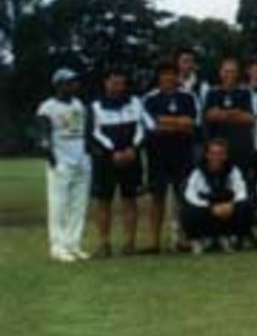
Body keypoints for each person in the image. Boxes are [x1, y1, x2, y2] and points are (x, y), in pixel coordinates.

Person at [142, 61, 200, 253]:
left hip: (182, 153)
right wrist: (177, 123)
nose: (168, 78)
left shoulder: (188, 97)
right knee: (156, 197)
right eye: (164, 74)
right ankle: (153, 241)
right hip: (157, 154)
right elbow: (152, 126)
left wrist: (166, 121)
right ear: (158, 77)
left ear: (177, 77)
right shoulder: (149, 99)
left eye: (172, 74)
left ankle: (183, 239)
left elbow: (192, 124)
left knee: (183, 197)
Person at [88, 67, 146, 257]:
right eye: (114, 83)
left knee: (130, 200)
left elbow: (141, 128)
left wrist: (133, 149)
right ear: (106, 83)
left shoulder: (135, 102)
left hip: (131, 158)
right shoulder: (96, 105)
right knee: (103, 201)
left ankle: (130, 243)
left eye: (121, 83)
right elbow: (94, 133)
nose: (118, 87)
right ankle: (104, 244)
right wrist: (112, 151)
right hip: (106, 160)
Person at [37, 69, 92, 262]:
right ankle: (58, 246)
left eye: (75, 82)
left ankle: (73, 244)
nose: (74, 86)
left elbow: (85, 131)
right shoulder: (48, 107)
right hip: (61, 160)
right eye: (69, 82)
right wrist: (52, 160)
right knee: (58, 204)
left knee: (78, 204)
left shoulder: (78, 104)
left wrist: (86, 155)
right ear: (59, 85)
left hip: (81, 159)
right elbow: (43, 136)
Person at [181, 138, 253, 253]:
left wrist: (231, 205)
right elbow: (190, 196)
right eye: (213, 154)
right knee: (188, 211)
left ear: (226, 156)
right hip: (207, 210)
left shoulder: (233, 171)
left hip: (227, 210)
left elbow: (241, 192)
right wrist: (211, 208)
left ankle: (234, 238)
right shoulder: (197, 173)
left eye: (220, 154)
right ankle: (198, 240)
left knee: (247, 206)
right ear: (207, 155)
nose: (216, 157)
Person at [203, 57, 257, 188]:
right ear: (220, 72)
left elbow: (249, 118)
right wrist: (236, 113)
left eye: (233, 71)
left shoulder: (245, 93)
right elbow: (210, 116)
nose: (229, 74)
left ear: (238, 73)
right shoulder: (212, 93)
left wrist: (222, 113)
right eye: (226, 71)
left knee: (241, 186)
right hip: (218, 150)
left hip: (241, 149)